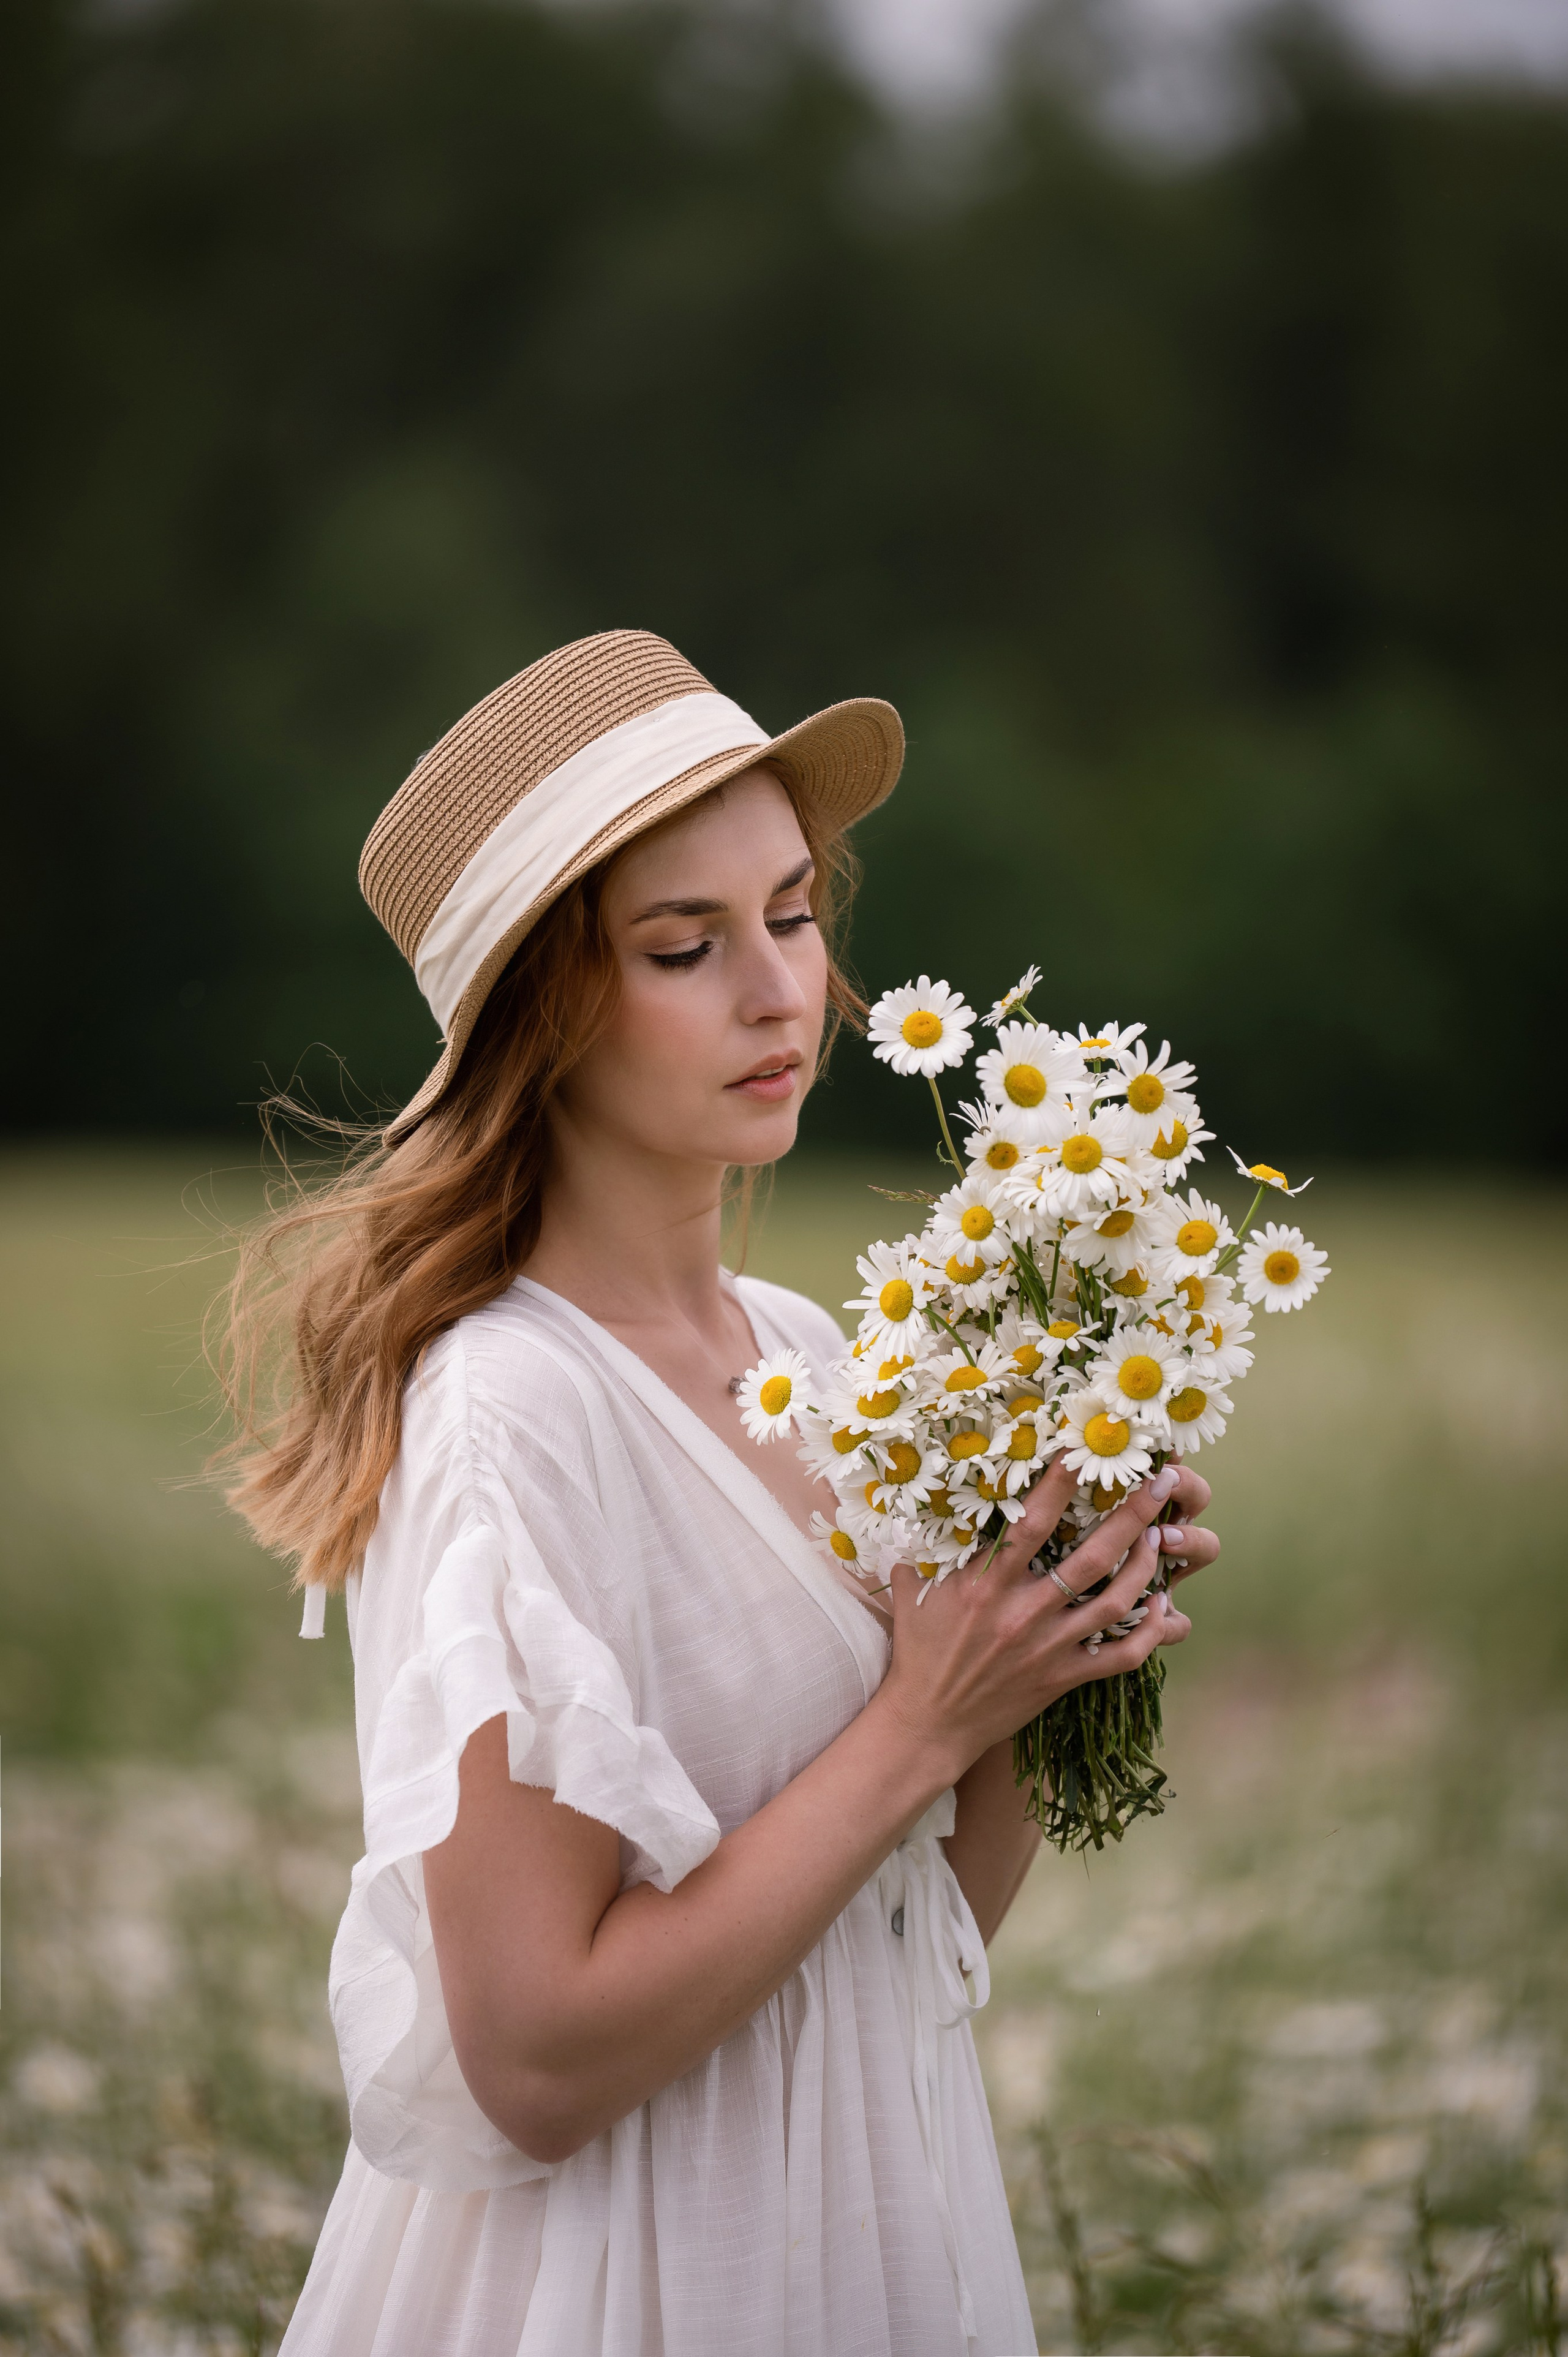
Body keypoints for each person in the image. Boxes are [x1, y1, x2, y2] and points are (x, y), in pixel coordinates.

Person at [219, 629, 1218, 2356]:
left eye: (792, 913)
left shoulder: (817, 1358)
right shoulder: (509, 1413)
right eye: (687, 946)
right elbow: (535, 2060)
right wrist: (918, 1721)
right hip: (618, 2282)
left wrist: (1043, 1658)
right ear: (546, 1011)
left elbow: (903, 1935)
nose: (780, 993)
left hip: (856, 2232)